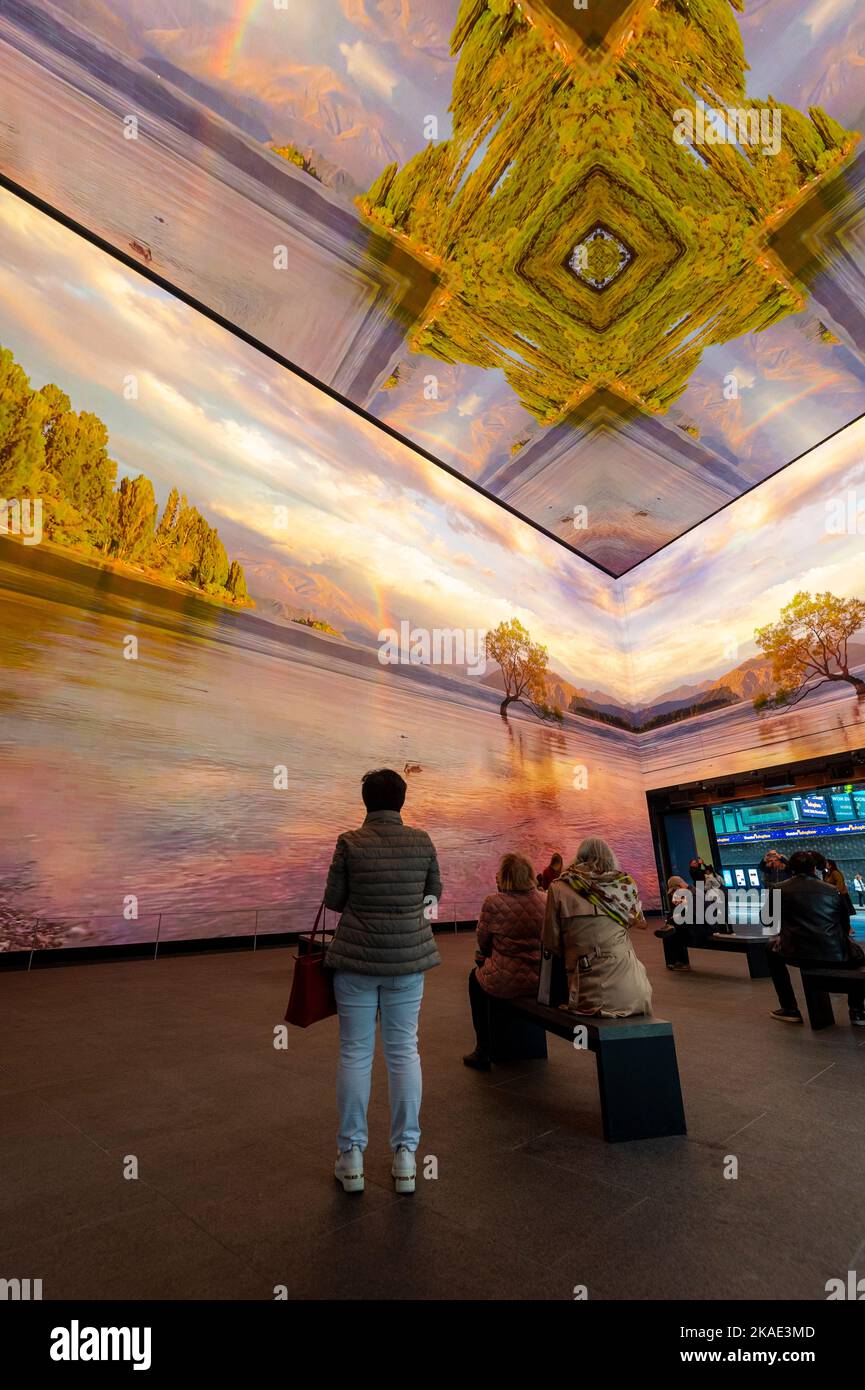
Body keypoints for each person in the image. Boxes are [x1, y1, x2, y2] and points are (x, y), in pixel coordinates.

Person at [324, 768, 442, 1195]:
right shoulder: (423, 841)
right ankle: (406, 1158)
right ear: (402, 801)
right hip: (407, 963)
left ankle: (351, 1157)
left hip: (355, 962)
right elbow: (433, 895)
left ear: (365, 801)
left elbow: (333, 900)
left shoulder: (349, 842)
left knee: (355, 1054)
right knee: (404, 1052)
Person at [543, 837, 652, 1017]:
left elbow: (551, 943)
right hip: (634, 991)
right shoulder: (625, 885)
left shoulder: (559, 887)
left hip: (586, 995)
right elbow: (635, 923)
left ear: (579, 857)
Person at [463, 853, 545, 1071]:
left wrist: (485, 956)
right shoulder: (546, 899)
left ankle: (483, 1049)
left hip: (505, 981)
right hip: (542, 981)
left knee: (475, 979)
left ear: (504, 876)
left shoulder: (493, 902)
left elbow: (483, 940)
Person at [766, 850, 865, 1026]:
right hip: (832, 951)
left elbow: (767, 920)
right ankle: (857, 1011)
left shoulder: (778, 889)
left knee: (769, 950)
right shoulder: (832, 890)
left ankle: (790, 1008)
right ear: (814, 868)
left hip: (794, 951)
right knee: (858, 953)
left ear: (791, 868)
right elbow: (843, 923)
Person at [655, 875, 693, 970]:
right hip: (691, 924)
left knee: (673, 932)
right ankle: (676, 962)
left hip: (698, 927)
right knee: (670, 930)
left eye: (674, 891)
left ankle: (679, 962)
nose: (673, 894)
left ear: (679, 886)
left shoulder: (693, 894)